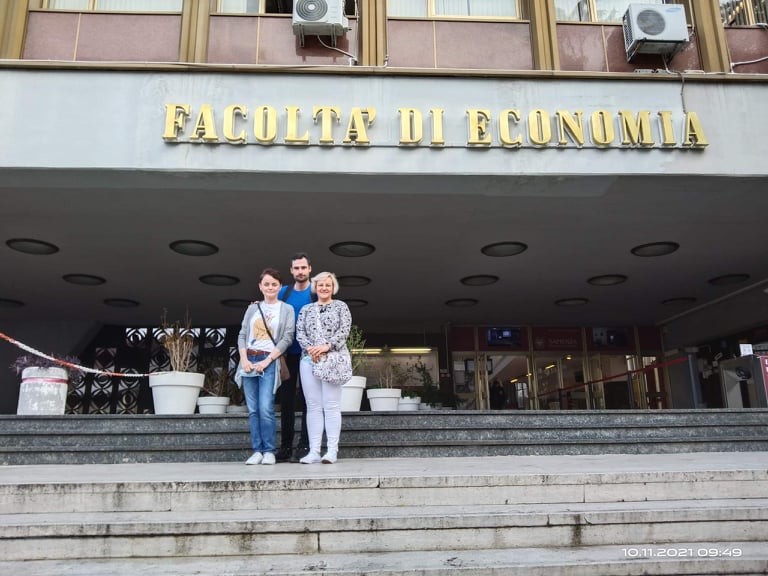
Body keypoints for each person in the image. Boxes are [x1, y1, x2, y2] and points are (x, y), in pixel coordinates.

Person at [237, 268, 295, 466]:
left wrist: (267, 361)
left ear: (280, 287)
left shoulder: (286, 309)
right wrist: (244, 360)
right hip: (248, 359)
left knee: (265, 408)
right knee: (253, 410)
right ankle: (257, 450)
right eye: (266, 284)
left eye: (274, 284)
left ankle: (269, 450)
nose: (270, 287)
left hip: (269, 360)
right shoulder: (253, 308)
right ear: (260, 287)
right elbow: (242, 334)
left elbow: (287, 337)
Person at [296, 271, 352, 464]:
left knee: (331, 405)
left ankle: (332, 450)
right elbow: (300, 333)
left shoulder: (341, 307)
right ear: (315, 287)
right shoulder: (306, 310)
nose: (324, 288)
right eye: (320, 285)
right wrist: (312, 349)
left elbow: (344, 331)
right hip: (308, 360)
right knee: (313, 406)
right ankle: (314, 451)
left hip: (332, 360)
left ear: (333, 287)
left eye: (328, 285)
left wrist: (326, 347)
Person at [275, 252, 315, 463]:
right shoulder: (284, 292)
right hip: (286, 354)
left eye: (303, 267)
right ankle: (286, 447)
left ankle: (305, 445)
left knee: (309, 401)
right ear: (291, 271)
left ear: (310, 269)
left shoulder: (316, 291)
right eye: (296, 268)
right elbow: (270, 310)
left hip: (310, 355)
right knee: (286, 401)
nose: (300, 271)